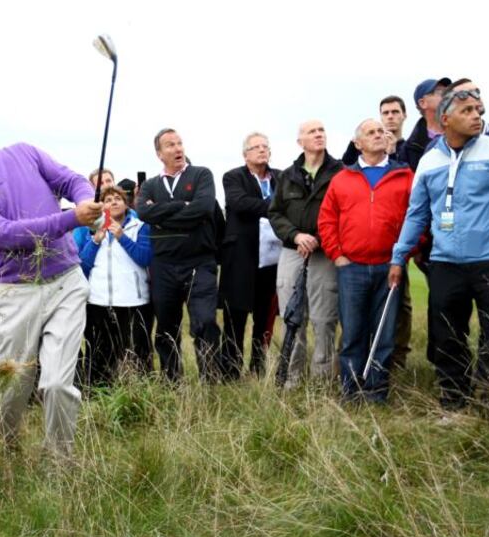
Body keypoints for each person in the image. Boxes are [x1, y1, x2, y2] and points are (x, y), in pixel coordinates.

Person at [0, 104, 101, 457]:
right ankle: (5, 459)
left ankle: (61, 463)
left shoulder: (24, 153)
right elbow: (11, 235)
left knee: (58, 384)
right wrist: (71, 218)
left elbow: (71, 180)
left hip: (66, 282)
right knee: (12, 388)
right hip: (16, 294)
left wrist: (86, 201)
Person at [391, 88, 489, 410]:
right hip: (445, 263)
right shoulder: (428, 160)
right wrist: (399, 257)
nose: (476, 116)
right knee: (447, 335)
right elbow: (417, 214)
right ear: (446, 119)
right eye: (467, 111)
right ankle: (454, 400)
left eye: (478, 110)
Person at [319, 120, 413, 402]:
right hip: (352, 268)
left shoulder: (405, 176)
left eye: (382, 132)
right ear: (357, 143)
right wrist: (337, 255)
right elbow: (326, 220)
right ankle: (351, 392)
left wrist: (403, 254)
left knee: (384, 335)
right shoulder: (342, 179)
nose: (379, 135)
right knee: (352, 334)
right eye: (371, 132)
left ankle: (376, 393)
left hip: (390, 267)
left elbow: (417, 217)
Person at [136, 129, 222, 382]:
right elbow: (143, 212)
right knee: (166, 326)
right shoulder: (151, 185)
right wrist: (182, 207)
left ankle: (211, 379)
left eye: (180, 143)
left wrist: (162, 215)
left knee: (205, 320)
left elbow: (204, 208)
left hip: (200, 261)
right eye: (170, 145)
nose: (178, 149)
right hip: (164, 265)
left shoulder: (201, 175)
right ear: (159, 153)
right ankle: (172, 381)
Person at [268, 121, 342, 386]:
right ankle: (292, 378)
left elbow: (345, 213)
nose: (319, 134)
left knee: (324, 320)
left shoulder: (340, 172)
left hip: (325, 254)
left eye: (322, 130)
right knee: (292, 319)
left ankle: (323, 381)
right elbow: (275, 213)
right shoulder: (288, 175)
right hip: (292, 252)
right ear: (300, 141)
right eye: (312, 131)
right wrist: (296, 235)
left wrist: (319, 239)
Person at [219, 132, 283, 381]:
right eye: (256, 147)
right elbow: (240, 203)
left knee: (264, 317)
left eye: (265, 146)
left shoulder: (280, 177)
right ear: (245, 154)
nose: (262, 150)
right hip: (241, 258)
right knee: (235, 316)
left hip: (272, 260)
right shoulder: (233, 177)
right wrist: (276, 207)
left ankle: (258, 368)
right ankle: (230, 371)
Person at [78, 185, 153, 386]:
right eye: (108, 199)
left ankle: (141, 393)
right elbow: (83, 266)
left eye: (118, 198)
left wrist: (121, 236)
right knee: (100, 353)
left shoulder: (140, 227)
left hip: (134, 302)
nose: (113, 202)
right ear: (102, 207)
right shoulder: (92, 229)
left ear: (126, 203)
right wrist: (95, 241)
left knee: (138, 353)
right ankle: (96, 396)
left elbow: (145, 258)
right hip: (99, 302)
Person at [401, 77, 451, 171]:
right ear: (422, 103)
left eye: (448, 92)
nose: (447, 96)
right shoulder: (410, 148)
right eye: (440, 92)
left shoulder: (462, 134)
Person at [341, 96, 408, 165]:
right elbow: (344, 170)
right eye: (385, 113)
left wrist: (391, 154)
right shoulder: (363, 145)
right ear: (381, 117)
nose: (390, 116)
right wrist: (352, 146)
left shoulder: (411, 149)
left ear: (404, 115)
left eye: (395, 112)